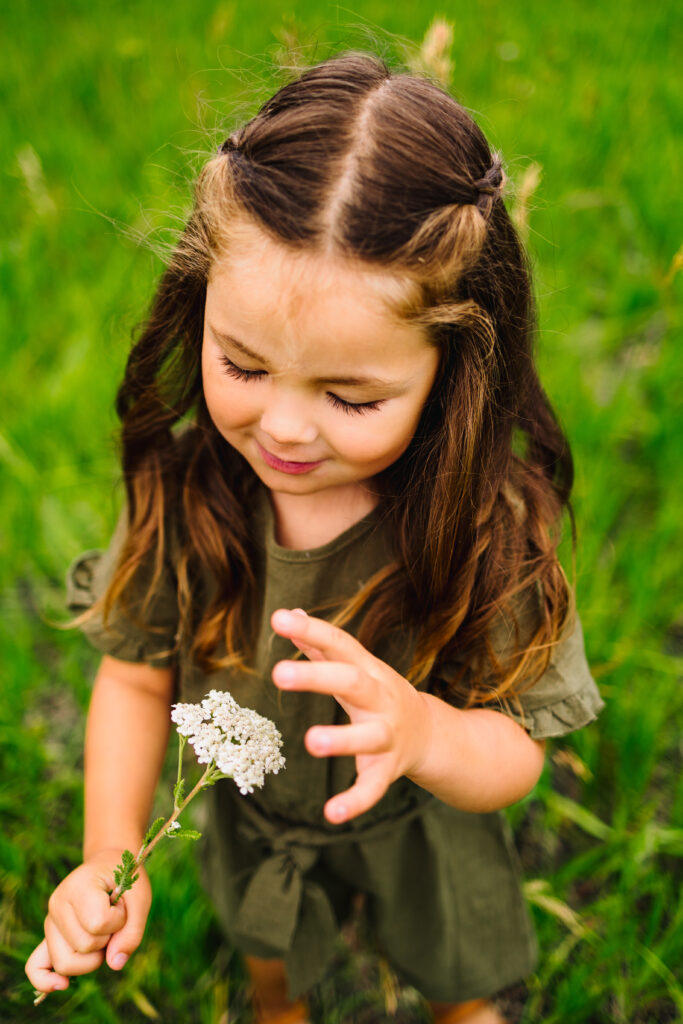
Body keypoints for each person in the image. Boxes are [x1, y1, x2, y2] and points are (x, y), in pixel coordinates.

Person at [25, 52, 604, 1024]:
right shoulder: (188, 491)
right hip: (259, 828)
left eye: (349, 396)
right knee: (273, 974)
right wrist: (107, 852)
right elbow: (132, 676)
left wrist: (421, 732)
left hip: (427, 827)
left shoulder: (485, 529)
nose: (286, 429)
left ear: (450, 376)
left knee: (462, 989)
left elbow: (516, 751)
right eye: (241, 365)